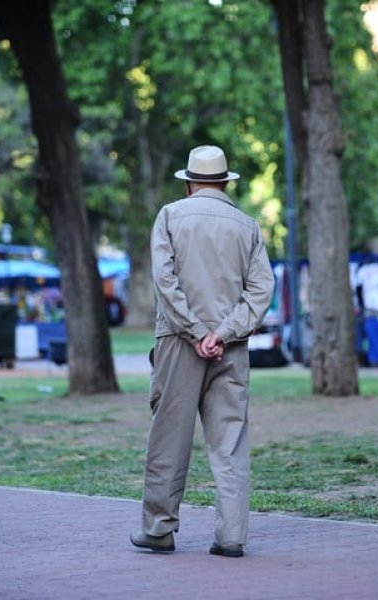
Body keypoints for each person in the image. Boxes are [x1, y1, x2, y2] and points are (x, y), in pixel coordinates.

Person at [130, 145, 275, 558]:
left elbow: (165, 281)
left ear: (190, 182)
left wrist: (195, 331)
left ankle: (158, 528)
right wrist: (223, 332)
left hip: (178, 343)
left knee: (168, 440)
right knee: (229, 443)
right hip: (230, 349)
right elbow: (262, 289)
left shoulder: (171, 216)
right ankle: (231, 537)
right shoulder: (247, 225)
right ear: (226, 182)